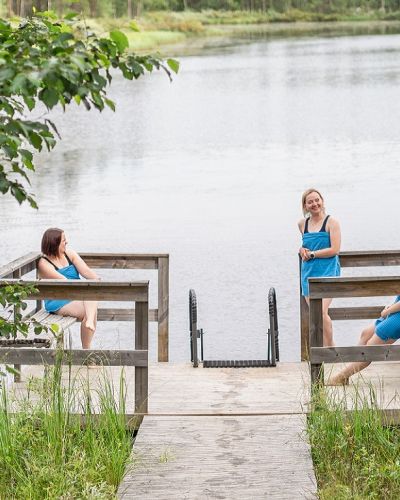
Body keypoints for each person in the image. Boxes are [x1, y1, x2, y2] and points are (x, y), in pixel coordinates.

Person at [38, 227, 99, 349]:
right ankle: (87, 350)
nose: (67, 242)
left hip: (79, 295)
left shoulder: (70, 254)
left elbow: (87, 272)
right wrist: (85, 290)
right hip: (58, 300)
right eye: (63, 240)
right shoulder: (44, 263)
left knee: (92, 294)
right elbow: (65, 283)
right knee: (90, 310)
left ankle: (89, 327)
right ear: (54, 244)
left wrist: (97, 281)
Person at [298, 188, 341, 346]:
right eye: (310, 202)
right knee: (316, 316)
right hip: (308, 275)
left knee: (321, 312)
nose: (314, 204)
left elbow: (335, 249)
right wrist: (302, 250)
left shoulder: (332, 222)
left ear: (322, 201)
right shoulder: (302, 224)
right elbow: (307, 245)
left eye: (317, 200)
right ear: (305, 206)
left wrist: (313, 254)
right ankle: (330, 351)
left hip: (328, 273)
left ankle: (331, 351)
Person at [327, 297, 400, 385]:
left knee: (370, 348)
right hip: (396, 309)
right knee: (366, 334)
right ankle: (347, 371)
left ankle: (340, 378)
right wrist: (391, 307)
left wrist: (388, 311)